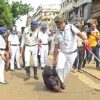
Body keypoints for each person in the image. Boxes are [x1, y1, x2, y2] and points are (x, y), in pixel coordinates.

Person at [53, 16, 88, 89]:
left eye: (61, 24)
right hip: (63, 53)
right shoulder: (57, 33)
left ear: (64, 22)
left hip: (72, 54)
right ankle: (60, 81)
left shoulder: (71, 27)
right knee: (59, 67)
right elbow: (56, 47)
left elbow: (79, 34)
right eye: (58, 25)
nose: (59, 26)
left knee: (66, 69)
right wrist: (54, 58)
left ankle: (59, 81)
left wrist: (84, 39)